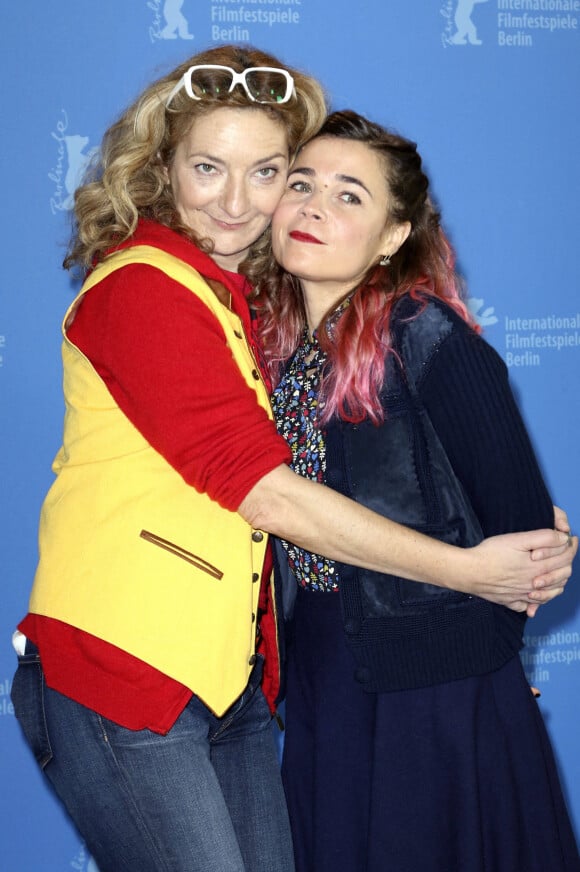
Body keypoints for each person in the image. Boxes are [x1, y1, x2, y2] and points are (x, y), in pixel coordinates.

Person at [10, 47, 574, 872]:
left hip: (267, 690)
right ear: (163, 169)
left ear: (394, 233)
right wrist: (471, 574)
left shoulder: (332, 325)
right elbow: (271, 498)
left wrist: (486, 652)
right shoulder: (151, 290)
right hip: (138, 677)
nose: (242, 201)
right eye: (209, 167)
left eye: (270, 171)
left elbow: (517, 532)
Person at [254, 109, 580, 872]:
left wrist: (477, 685)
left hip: (433, 689)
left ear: (393, 237)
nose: (313, 207)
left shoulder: (425, 335)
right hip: (321, 673)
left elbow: (528, 538)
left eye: (349, 196)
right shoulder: (269, 352)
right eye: (301, 184)